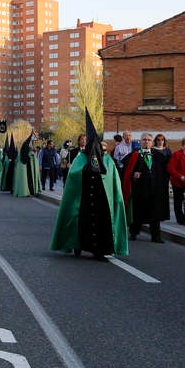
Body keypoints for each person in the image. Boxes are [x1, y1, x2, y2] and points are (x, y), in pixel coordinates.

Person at [51, 110, 128, 260]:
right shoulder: (80, 159)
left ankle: (100, 250)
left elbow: (112, 183)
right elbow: (73, 177)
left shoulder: (107, 161)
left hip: (102, 202)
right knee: (80, 223)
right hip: (83, 200)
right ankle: (77, 245)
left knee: (101, 226)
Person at [121, 133, 169, 243]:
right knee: (138, 212)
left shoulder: (159, 156)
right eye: (144, 140)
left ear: (152, 142)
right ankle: (134, 232)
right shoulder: (134, 155)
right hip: (140, 189)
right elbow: (125, 172)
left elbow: (165, 172)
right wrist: (133, 175)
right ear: (140, 142)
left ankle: (156, 236)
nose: (146, 142)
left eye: (148, 140)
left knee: (155, 214)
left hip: (155, 189)